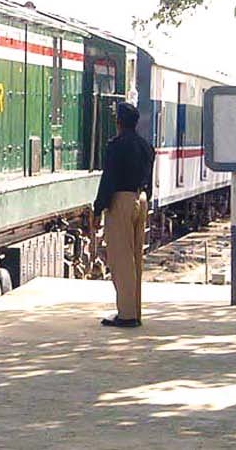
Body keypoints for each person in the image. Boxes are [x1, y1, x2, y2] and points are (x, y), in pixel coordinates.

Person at [93, 101, 154, 328]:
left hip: (122, 200)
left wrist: (99, 207)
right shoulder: (146, 146)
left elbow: (108, 179)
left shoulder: (116, 146)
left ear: (118, 122)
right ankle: (135, 309)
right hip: (141, 199)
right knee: (136, 257)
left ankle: (126, 315)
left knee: (121, 259)